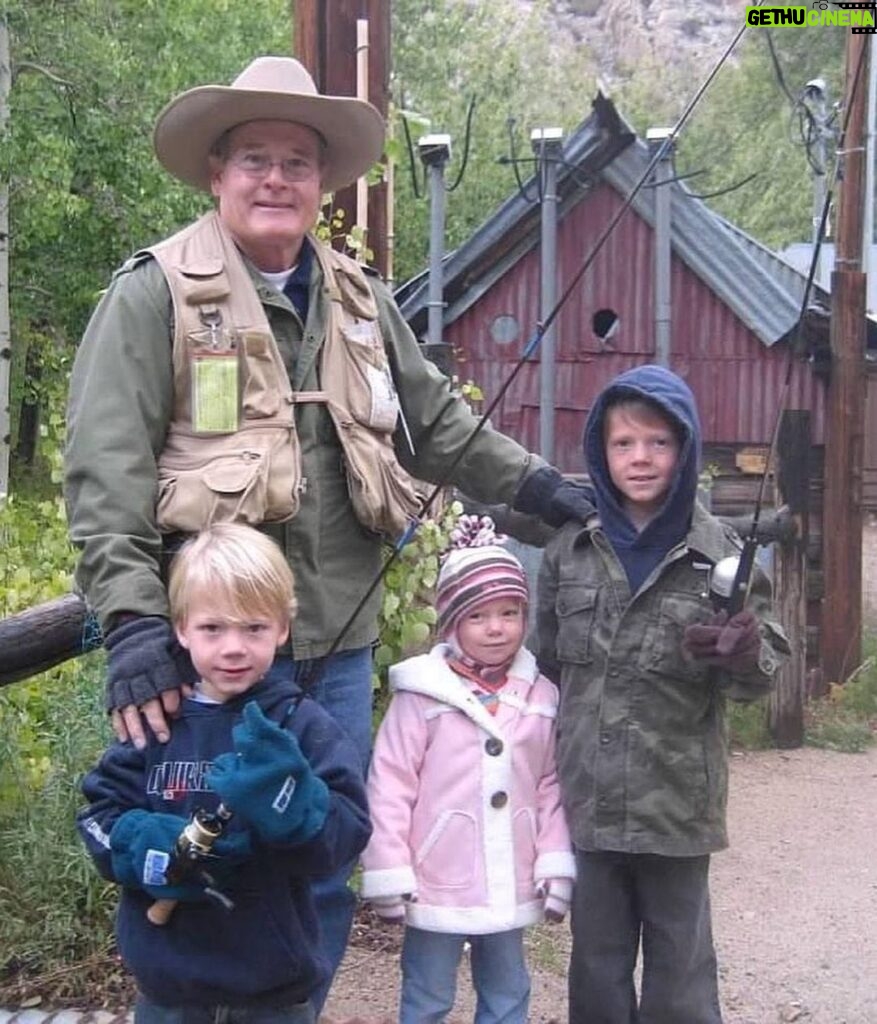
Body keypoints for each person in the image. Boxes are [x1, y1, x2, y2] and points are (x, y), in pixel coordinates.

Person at [63, 55, 587, 1008]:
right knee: (178, 858)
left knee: (316, 858)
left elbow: (441, 426)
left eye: (296, 162)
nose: (275, 179)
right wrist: (137, 623)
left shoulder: (360, 298)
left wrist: (546, 488)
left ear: (320, 184)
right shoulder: (151, 296)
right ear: (216, 174)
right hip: (203, 654)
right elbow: (105, 477)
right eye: (254, 158)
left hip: (335, 648)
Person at [534, 364, 789, 1024]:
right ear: (599, 450)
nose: (639, 458)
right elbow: (540, 670)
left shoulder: (720, 555)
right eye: (623, 443)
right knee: (594, 970)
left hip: (677, 805)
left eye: (657, 442)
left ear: (685, 450)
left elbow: (760, 675)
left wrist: (742, 651)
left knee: (679, 976)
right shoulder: (569, 550)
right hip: (587, 799)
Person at [77, 522, 371, 1024]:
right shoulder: (156, 721)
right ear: (181, 629)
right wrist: (147, 847)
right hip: (167, 992)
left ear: (282, 628)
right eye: (213, 628)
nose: (233, 647)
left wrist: (293, 804)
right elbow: (97, 819)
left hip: (273, 994)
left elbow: (346, 837)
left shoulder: (300, 725)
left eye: (254, 628)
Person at [361, 515, 576, 1024]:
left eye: (509, 612)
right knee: (428, 993)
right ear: (452, 622)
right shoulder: (421, 697)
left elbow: (551, 785)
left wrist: (554, 860)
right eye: (479, 616)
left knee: (507, 991)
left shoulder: (540, 696)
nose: (497, 628)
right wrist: (389, 866)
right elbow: (390, 783)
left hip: (511, 874)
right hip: (435, 876)